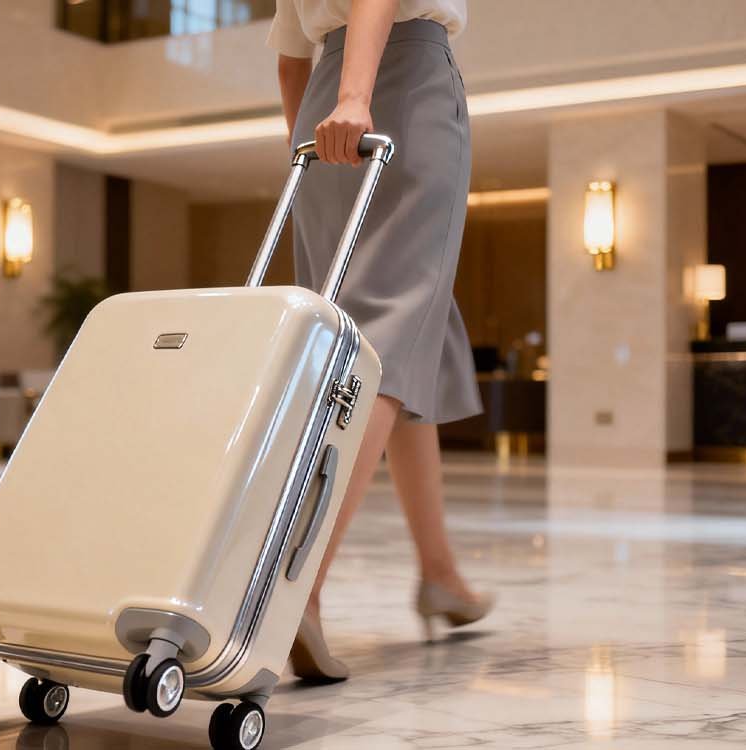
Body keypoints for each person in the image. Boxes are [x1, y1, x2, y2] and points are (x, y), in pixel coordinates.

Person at [269, 0, 495, 683]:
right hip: (402, 82)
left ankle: (441, 575)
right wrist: (356, 96)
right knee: (387, 343)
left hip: (323, 114)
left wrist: (309, 142)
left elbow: (287, 54)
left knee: (412, 330)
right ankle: (296, 590)